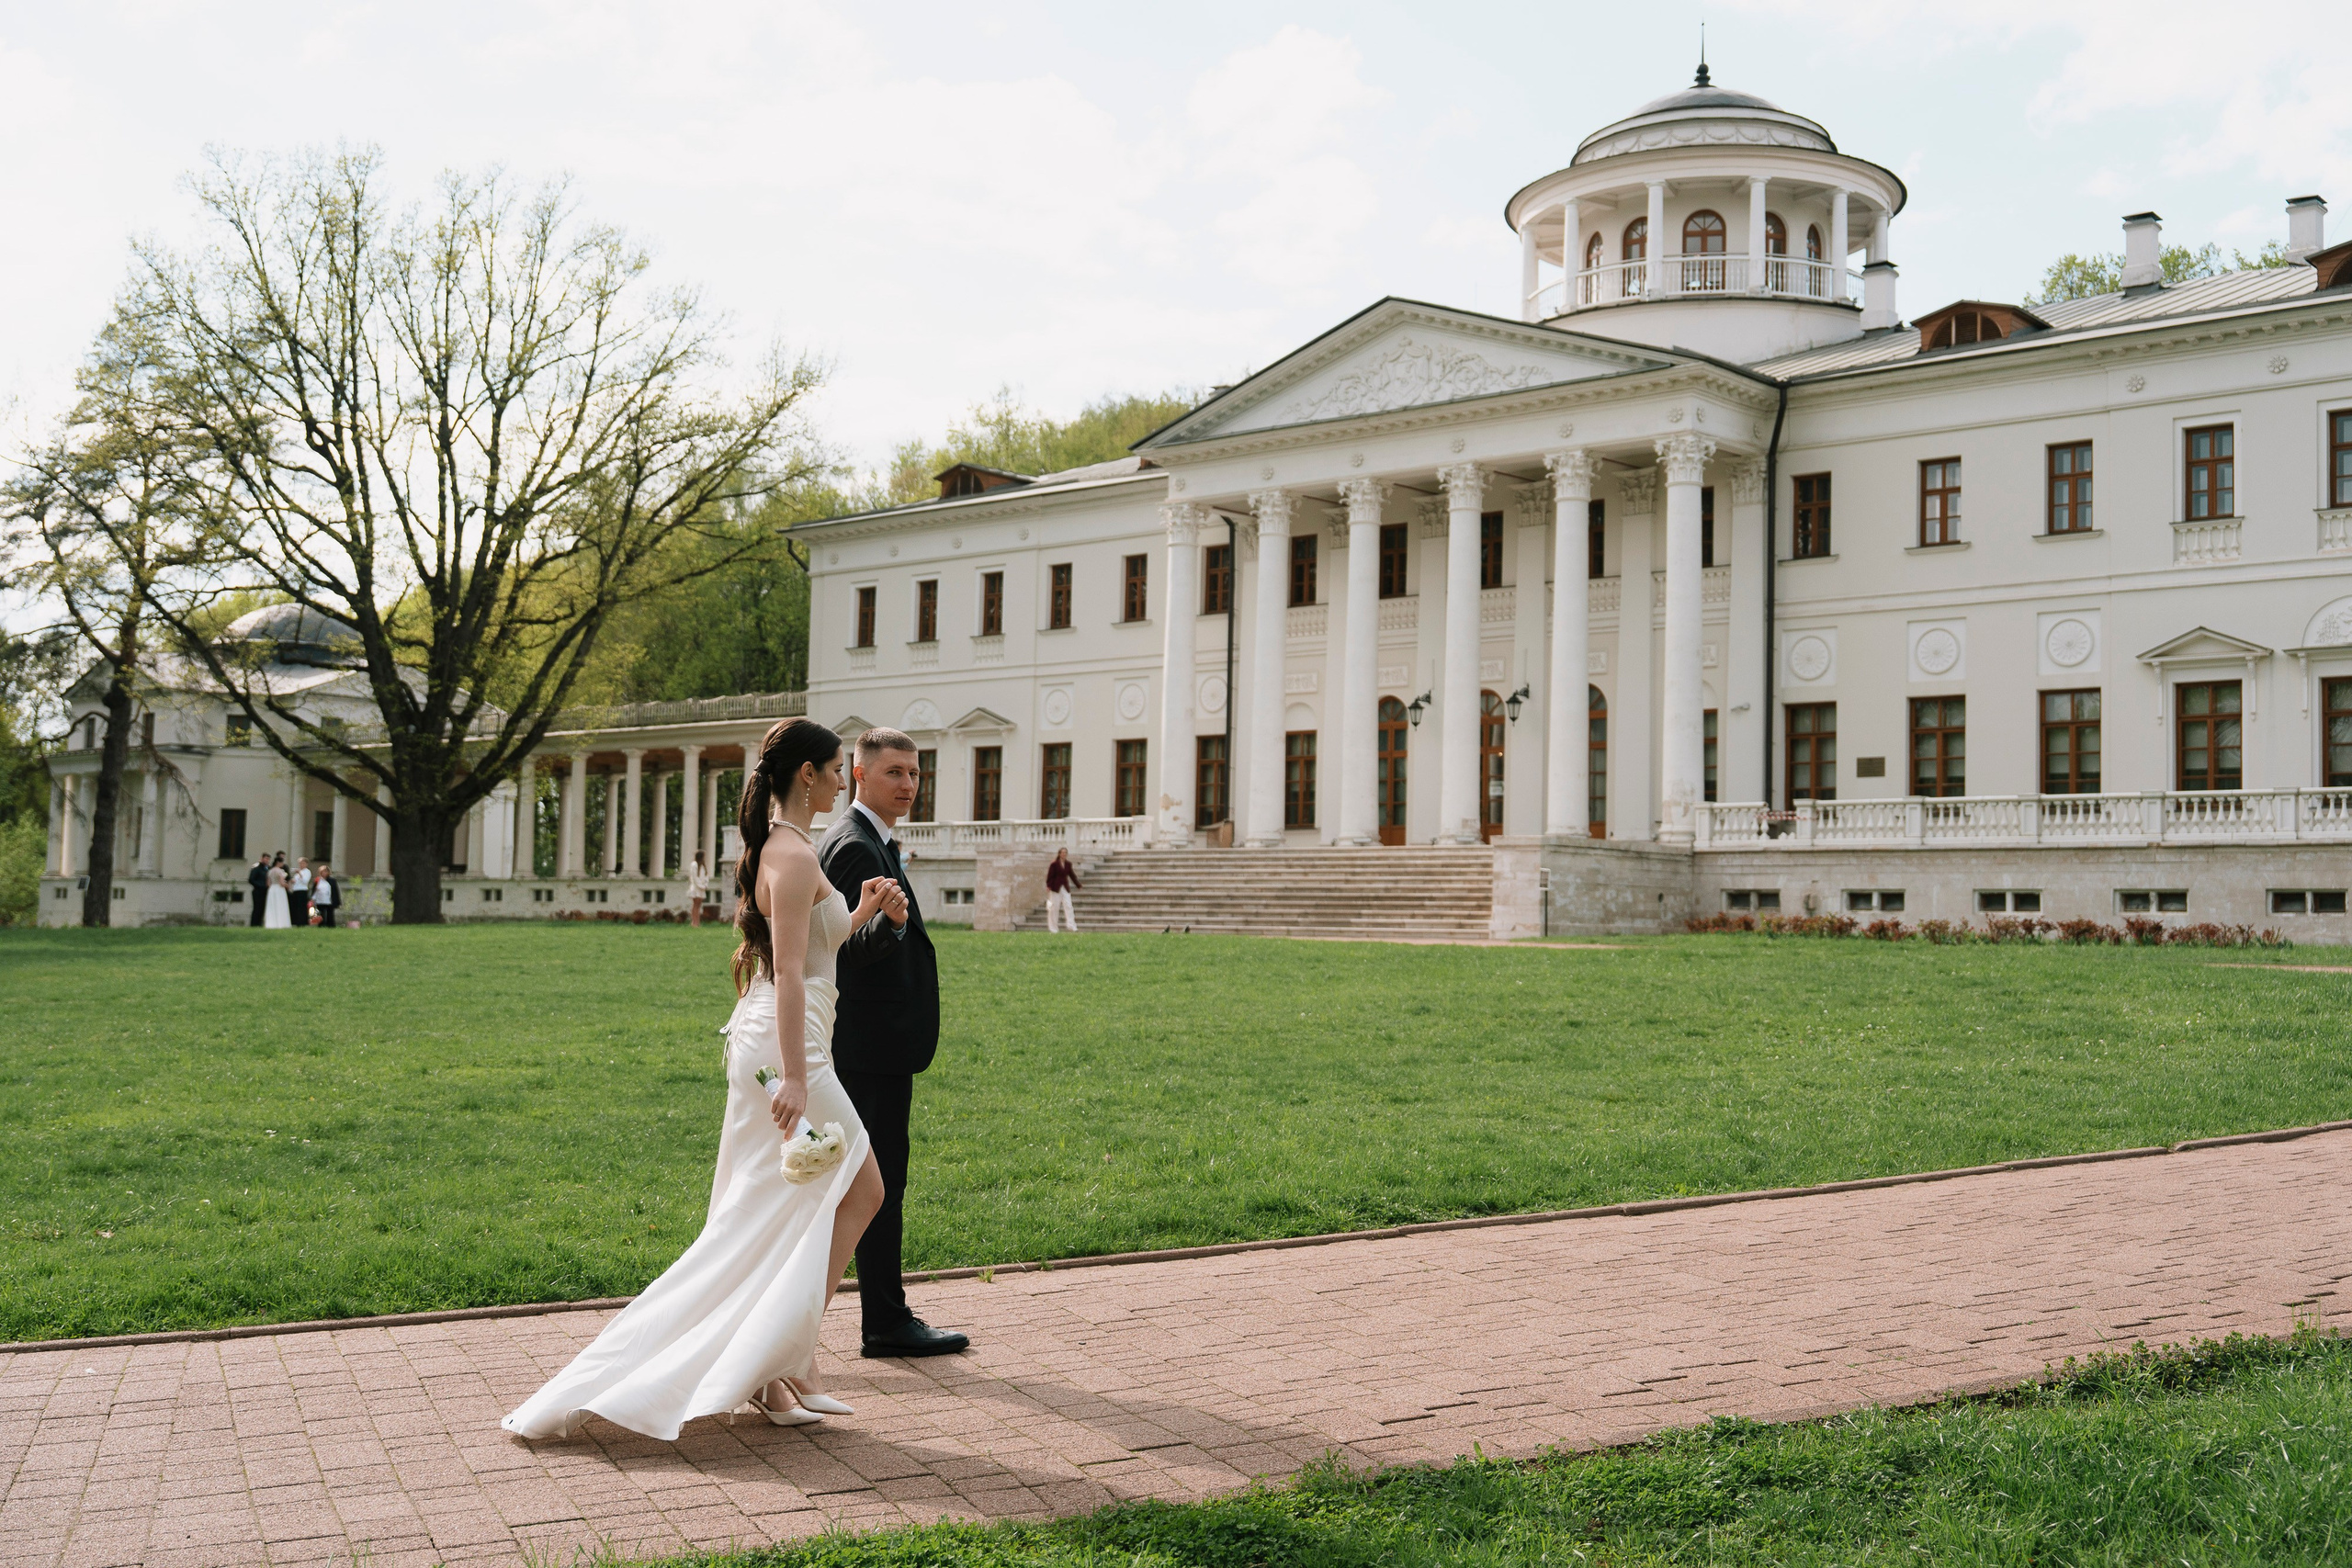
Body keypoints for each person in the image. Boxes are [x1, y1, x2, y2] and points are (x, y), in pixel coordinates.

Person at [502, 718, 894, 1441]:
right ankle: (787, 1360)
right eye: (838, 767)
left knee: (765, 1212)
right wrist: (799, 1080)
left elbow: (815, 946)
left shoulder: (788, 847)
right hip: (788, 1044)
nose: (846, 778)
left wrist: (865, 908)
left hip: (776, 1040)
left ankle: (777, 1372)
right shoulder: (792, 853)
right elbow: (786, 978)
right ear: (807, 775)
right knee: (855, 1190)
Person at [817, 728, 968, 1359]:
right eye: (895, 773)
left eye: (914, 772)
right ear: (858, 772)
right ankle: (883, 1319)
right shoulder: (854, 846)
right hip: (866, 1047)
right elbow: (842, 950)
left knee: (873, 1185)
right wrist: (894, 929)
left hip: (876, 1044)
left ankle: (884, 1315)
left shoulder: (873, 840)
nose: (908, 783)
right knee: (872, 1186)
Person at [1045, 849, 1081, 933]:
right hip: (1055, 888)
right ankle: (1053, 928)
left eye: (1065, 853)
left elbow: (1072, 875)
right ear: (1059, 854)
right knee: (1054, 908)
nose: (1064, 854)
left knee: (1069, 905)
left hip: (1065, 887)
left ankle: (1071, 925)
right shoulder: (1054, 864)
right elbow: (1050, 875)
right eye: (1063, 853)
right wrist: (1049, 885)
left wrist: (1078, 884)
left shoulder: (1068, 864)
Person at [307, 863, 340, 927]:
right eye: (322, 872)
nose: (324, 873)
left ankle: (330, 925)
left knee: (330, 914)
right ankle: (321, 925)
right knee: (321, 914)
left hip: (329, 900)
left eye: (325, 872)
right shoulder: (317, 880)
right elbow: (314, 890)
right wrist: (312, 899)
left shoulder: (332, 880)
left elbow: (335, 891)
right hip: (320, 900)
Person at [263, 862, 292, 929]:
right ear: (279, 863)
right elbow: (282, 883)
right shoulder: (280, 871)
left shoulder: (270, 871)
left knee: (272, 906)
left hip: (272, 889)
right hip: (279, 889)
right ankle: (282, 923)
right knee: (280, 905)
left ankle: (271, 923)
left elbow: (268, 883)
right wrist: (287, 885)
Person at [688, 850, 712, 928]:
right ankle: (694, 922)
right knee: (695, 905)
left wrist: (705, 884)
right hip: (696, 888)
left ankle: (697, 922)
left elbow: (706, 876)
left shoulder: (703, 865)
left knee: (698, 905)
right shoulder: (694, 864)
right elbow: (694, 877)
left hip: (702, 888)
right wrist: (700, 886)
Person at [246, 854, 271, 928]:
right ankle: (254, 924)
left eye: (268, 859)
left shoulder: (267, 869)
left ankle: (259, 923)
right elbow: (251, 879)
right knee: (257, 908)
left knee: (262, 908)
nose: (267, 860)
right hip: (257, 891)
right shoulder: (256, 868)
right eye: (266, 859)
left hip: (265, 891)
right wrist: (260, 885)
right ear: (262, 859)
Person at [289, 858, 313, 929]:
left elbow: (305, 881)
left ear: (306, 864)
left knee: (301, 907)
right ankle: (296, 921)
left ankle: (302, 922)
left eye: (302, 863)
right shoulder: (298, 873)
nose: (301, 865)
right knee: (296, 907)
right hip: (296, 890)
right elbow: (295, 881)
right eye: (300, 863)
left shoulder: (307, 872)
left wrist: (299, 873)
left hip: (302, 890)